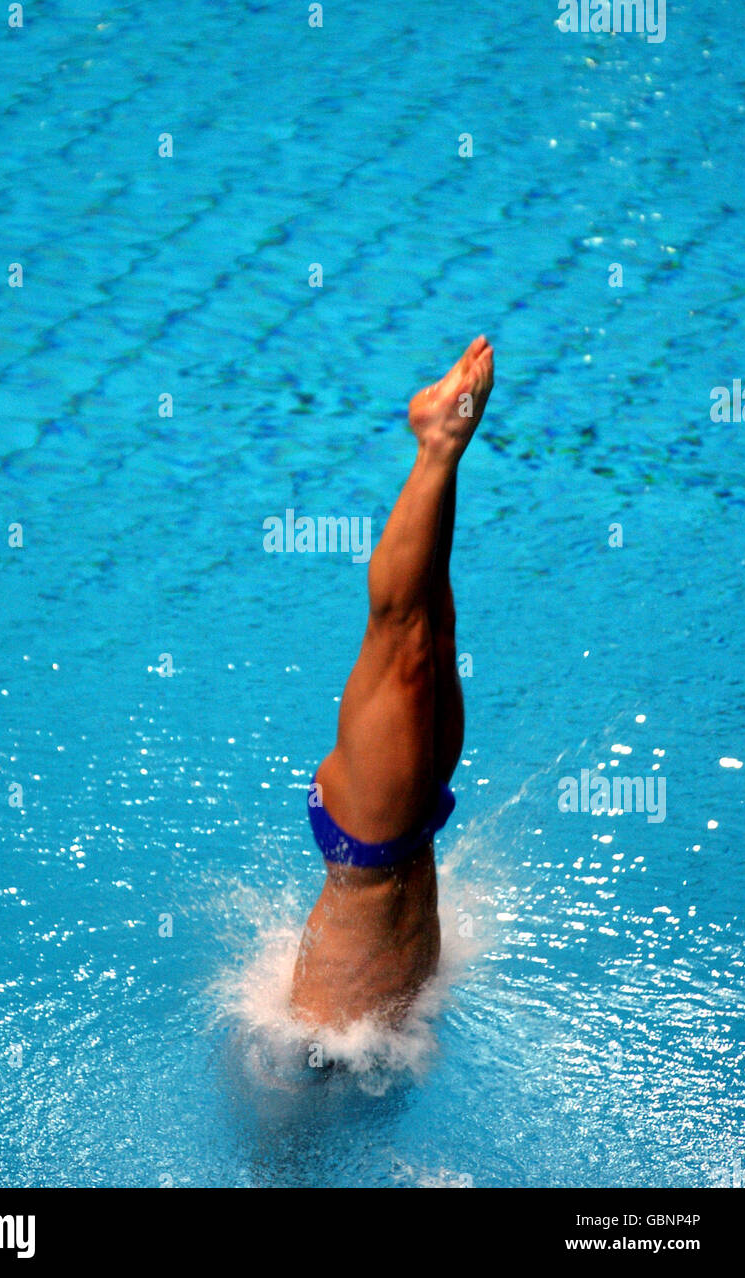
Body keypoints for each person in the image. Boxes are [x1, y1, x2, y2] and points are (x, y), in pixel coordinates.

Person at [290, 335, 494, 1031]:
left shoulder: (297, 1079)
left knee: (403, 638)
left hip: (373, 850)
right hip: (398, 835)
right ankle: (445, 448)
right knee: (431, 637)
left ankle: (438, 445)